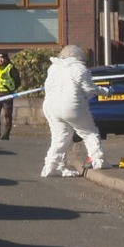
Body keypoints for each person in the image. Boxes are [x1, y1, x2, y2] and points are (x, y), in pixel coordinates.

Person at [40, 44, 106, 177]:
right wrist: (105, 91)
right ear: (79, 56)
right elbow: (89, 90)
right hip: (72, 105)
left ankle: (52, 167)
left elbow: (48, 87)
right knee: (89, 132)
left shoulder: (53, 68)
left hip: (51, 106)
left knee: (60, 137)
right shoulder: (80, 69)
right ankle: (98, 161)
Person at [0, 51, 21, 140]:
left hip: (7, 94)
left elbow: (17, 81)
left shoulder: (11, 68)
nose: (0, 59)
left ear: (6, 58)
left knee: (7, 114)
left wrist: (12, 89)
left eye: (2, 58)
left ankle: (6, 134)